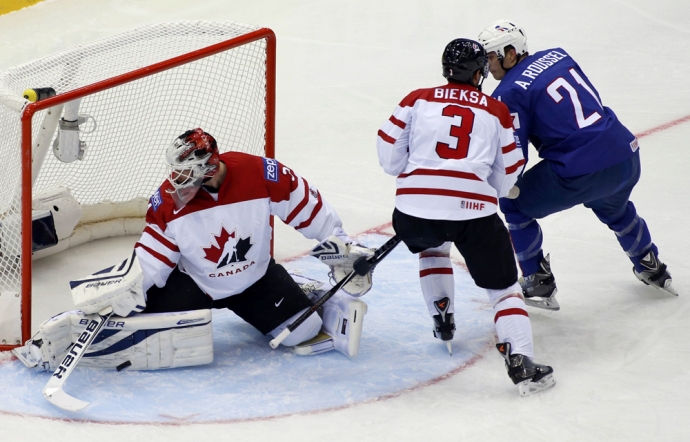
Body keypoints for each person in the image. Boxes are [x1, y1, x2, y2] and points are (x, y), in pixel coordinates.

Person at [13, 128, 374, 373]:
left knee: (302, 331)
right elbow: (153, 256)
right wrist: (125, 290)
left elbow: (307, 208)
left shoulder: (261, 174)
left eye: (186, 173)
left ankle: (297, 288)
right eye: (176, 172)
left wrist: (342, 245)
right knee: (128, 310)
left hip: (255, 282)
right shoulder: (168, 202)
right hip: (194, 284)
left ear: (210, 166)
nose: (177, 181)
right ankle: (71, 325)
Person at [376, 38, 555, 396]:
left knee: (432, 247)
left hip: (413, 213)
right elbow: (508, 174)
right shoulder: (497, 110)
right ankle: (521, 362)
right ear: (478, 74)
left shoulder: (416, 99)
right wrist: (484, 187)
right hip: (474, 216)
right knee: (503, 290)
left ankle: (442, 318)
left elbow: (389, 157)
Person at [476, 20, 677, 311]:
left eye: (490, 57)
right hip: (625, 155)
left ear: (510, 54)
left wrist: (495, 184)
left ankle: (537, 281)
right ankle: (649, 264)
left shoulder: (508, 92)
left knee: (513, 204)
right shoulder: (558, 56)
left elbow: (514, 157)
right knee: (614, 207)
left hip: (580, 169)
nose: (487, 65)